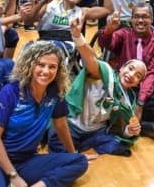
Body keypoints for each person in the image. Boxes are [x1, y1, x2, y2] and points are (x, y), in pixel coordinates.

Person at [0, 41, 89, 186]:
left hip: (25, 160)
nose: (46, 71)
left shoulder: (55, 93)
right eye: (41, 64)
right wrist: (13, 176)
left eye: (52, 67)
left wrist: (72, 154)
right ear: (30, 65)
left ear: (58, 70)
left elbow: (61, 125)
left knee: (80, 161)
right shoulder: (10, 91)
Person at [53, 17, 147, 156]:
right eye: (130, 68)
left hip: (95, 132)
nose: (131, 75)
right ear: (121, 68)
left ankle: (80, 150)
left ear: (138, 83)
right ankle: (73, 153)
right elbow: (90, 59)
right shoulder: (105, 73)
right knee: (60, 147)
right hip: (73, 125)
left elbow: (119, 128)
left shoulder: (128, 100)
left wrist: (129, 131)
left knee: (114, 142)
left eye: (138, 76)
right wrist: (78, 37)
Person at [97, 3, 154, 138]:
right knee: (102, 97)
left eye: (145, 17)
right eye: (136, 17)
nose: (140, 21)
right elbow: (105, 43)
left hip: (147, 90)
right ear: (131, 19)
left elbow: (152, 75)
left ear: (151, 19)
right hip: (123, 87)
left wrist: (140, 102)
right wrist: (109, 30)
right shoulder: (124, 33)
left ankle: (123, 122)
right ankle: (142, 124)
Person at [25, 0, 113, 48]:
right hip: (44, 42)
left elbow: (108, 9)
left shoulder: (82, 12)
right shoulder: (49, 5)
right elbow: (28, 21)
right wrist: (42, 2)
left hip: (67, 47)